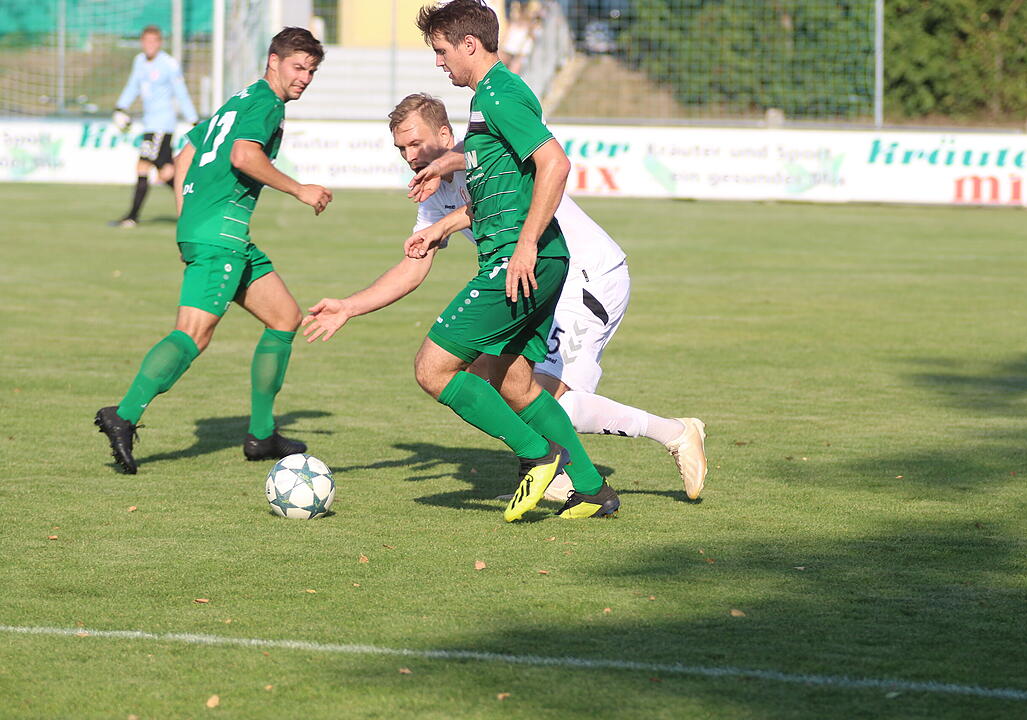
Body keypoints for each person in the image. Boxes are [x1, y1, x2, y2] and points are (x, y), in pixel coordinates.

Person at [303, 0, 618, 521]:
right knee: (515, 381)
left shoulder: (498, 94)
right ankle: (590, 487)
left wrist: (525, 244)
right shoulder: (486, 101)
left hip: (522, 262)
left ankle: (539, 457)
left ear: (470, 45)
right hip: (533, 261)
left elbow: (555, 164)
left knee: (433, 368)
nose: (438, 62)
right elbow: (491, 173)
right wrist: (439, 227)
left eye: (442, 50)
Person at [354, 93, 709, 503]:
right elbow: (414, 266)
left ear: (447, 134)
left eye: (417, 144)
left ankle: (674, 434)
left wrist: (444, 198)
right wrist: (349, 307)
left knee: (545, 398)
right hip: (533, 279)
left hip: (585, 275)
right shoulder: (432, 190)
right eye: (401, 148)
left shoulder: (482, 152)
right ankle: (551, 467)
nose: (409, 155)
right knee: (485, 377)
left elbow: (478, 178)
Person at [95, 27, 334, 475]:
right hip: (221, 234)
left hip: (218, 230)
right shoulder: (265, 104)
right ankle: (122, 415)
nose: (305, 77)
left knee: (285, 318)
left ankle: (261, 435)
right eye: (298, 67)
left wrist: (190, 214)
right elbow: (244, 156)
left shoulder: (240, 99)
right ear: (273, 61)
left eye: (312, 70)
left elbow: (187, 148)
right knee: (193, 334)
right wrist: (299, 189)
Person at [110, 25, 199, 228]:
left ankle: (132, 217)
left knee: (142, 166)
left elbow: (181, 92)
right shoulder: (139, 61)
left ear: (159, 43)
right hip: (149, 124)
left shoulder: (168, 64)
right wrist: (120, 107)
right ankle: (197, 205)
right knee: (166, 172)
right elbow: (133, 85)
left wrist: (193, 120)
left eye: (154, 41)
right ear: (142, 42)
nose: (150, 45)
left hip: (162, 126)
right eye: (146, 41)